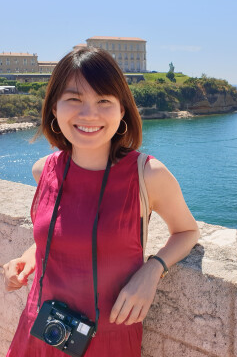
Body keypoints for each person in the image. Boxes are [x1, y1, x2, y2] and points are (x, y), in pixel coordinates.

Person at [2, 46, 200, 356]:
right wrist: (28, 258)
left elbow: (187, 232)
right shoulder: (44, 170)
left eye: (104, 101)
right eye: (74, 99)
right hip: (41, 329)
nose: (89, 114)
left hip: (109, 341)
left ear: (122, 110)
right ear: (54, 108)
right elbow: (59, 234)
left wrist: (152, 271)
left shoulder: (147, 175)